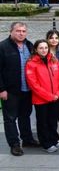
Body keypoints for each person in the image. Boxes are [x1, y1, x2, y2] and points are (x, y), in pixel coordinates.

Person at [0, 22, 38, 156]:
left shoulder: (29, 45)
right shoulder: (3, 47)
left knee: (25, 116)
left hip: (27, 89)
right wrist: (1, 89)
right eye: (18, 31)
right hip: (10, 91)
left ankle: (27, 139)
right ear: (11, 31)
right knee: (10, 118)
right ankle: (14, 144)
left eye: (23, 31)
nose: (21, 33)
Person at [25, 39, 59, 153]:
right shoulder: (31, 63)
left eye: (46, 48)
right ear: (36, 49)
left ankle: (54, 139)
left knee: (53, 120)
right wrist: (49, 96)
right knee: (43, 122)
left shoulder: (53, 60)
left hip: (55, 97)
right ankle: (46, 143)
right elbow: (33, 84)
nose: (44, 50)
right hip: (41, 99)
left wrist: (58, 93)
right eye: (41, 48)